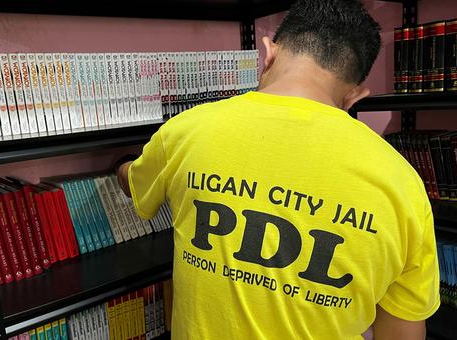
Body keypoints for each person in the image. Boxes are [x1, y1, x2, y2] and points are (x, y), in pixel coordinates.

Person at [115, 0, 440, 339]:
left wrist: (121, 166)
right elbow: (402, 331)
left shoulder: (186, 131)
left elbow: (133, 185)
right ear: (355, 95)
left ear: (268, 52)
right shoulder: (403, 183)